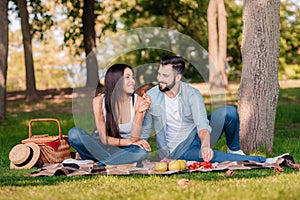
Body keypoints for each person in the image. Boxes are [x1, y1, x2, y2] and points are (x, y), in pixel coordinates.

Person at [142, 55, 283, 164]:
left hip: (196, 134)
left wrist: (205, 145)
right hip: (179, 149)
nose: (159, 78)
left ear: (178, 77)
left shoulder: (192, 94)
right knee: (214, 156)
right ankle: (265, 161)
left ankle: (234, 150)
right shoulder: (151, 96)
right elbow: (145, 131)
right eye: (159, 74)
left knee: (229, 112)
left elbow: (202, 124)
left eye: (165, 76)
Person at [68, 64, 151, 166]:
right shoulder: (98, 101)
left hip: (125, 150)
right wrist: (129, 141)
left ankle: (99, 163)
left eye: (132, 77)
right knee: (74, 134)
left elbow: (135, 139)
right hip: (101, 147)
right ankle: (112, 161)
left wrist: (140, 112)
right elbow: (104, 139)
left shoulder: (138, 100)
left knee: (141, 152)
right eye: (127, 77)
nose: (132, 81)